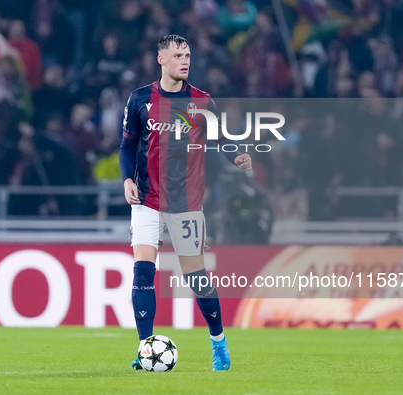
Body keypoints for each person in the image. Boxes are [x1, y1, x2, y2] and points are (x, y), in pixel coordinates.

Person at [118, 34, 252, 372]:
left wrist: (238, 156)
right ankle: (145, 348)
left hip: (186, 204)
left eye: (188, 54)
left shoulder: (202, 102)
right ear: (161, 59)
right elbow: (127, 147)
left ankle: (219, 343)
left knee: (197, 277)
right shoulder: (139, 100)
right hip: (147, 200)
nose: (185, 60)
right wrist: (128, 179)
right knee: (143, 272)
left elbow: (222, 139)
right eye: (178, 55)